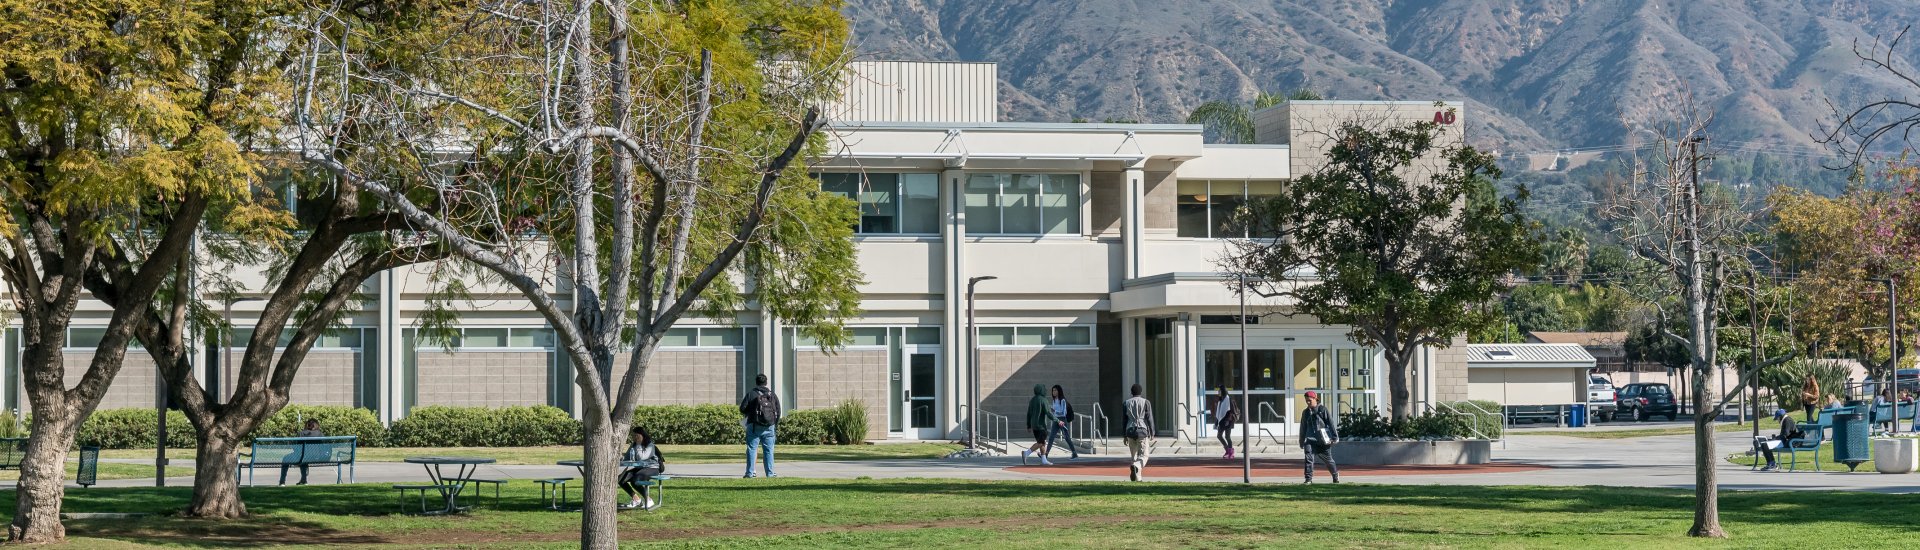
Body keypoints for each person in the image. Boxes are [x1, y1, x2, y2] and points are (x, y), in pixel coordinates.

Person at [739, 373, 781, 478]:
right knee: (769, 450)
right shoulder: (772, 395)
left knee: (752, 448)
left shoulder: (751, 394)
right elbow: (778, 411)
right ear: (766, 383)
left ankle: (750, 473)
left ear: (756, 382)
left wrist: (751, 412)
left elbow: (742, 408)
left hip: (754, 425)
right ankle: (770, 473)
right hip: (769, 426)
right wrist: (774, 423)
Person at [619, 425, 666, 509]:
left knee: (636, 479)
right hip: (640, 468)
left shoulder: (650, 445)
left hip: (653, 468)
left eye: (636, 435)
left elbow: (641, 458)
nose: (634, 437)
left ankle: (649, 500)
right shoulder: (634, 444)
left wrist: (639, 444)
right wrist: (620, 457)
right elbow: (627, 458)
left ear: (642, 435)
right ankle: (636, 499)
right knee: (621, 479)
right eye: (633, 436)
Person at [1298, 391, 1339, 484]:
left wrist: (1335, 437)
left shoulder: (1322, 409)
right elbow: (1303, 427)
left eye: (1309, 400)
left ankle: (1335, 474)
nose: (1308, 403)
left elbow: (1330, 423)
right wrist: (1301, 441)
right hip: (1310, 440)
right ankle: (1308, 479)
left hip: (1323, 441)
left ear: (1315, 399)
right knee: (1308, 458)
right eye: (1306, 401)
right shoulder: (1305, 413)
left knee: (1328, 461)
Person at [1123, 383, 1155, 482]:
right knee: (1144, 455)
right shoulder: (1146, 402)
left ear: (1131, 392)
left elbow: (1124, 420)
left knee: (1134, 455)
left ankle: (1138, 478)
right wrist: (1152, 432)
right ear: (1141, 392)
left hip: (1130, 430)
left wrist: (1124, 435)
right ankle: (1136, 466)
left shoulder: (1126, 403)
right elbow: (1149, 418)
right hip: (1142, 430)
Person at [279, 419, 324, 486]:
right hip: (318, 457)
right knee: (303, 458)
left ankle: (282, 482)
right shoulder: (320, 434)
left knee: (286, 458)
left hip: (303, 456)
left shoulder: (302, 433)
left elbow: (297, 447)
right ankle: (303, 480)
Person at [1021, 384, 1057, 465]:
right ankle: (1026, 453)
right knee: (1041, 442)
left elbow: (1029, 413)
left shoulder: (1032, 400)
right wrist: (1057, 420)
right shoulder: (1044, 400)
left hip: (1034, 425)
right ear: (1042, 390)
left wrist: (1028, 425)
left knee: (1042, 442)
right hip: (1041, 425)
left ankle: (1044, 459)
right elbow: (1048, 413)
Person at [1042, 385, 1080, 460]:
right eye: (1053, 390)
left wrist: (1055, 411)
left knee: (1067, 437)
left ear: (1059, 391)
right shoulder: (1054, 400)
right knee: (1051, 437)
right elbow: (1055, 412)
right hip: (1056, 420)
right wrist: (1052, 412)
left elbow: (1064, 412)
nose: (1054, 392)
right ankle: (1046, 454)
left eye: (1055, 390)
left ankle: (1074, 453)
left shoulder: (1062, 400)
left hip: (1062, 420)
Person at [1213, 385, 1237, 459]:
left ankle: (1231, 453)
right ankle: (1227, 450)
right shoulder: (1221, 400)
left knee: (1227, 436)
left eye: (1219, 390)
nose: (1218, 392)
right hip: (1222, 421)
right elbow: (1219, 412)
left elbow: (1231, 411)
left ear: (1222, 391)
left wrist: (1228, 420)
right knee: (1219, 436)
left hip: (1228, 421)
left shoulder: (1228, 399)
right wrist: (1216, 422)